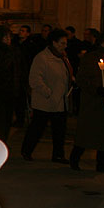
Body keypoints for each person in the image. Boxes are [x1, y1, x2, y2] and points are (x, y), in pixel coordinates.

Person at [69, 32, 104, 174]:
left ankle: (102, 163)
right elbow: (82, 79)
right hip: (95, 103)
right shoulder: (92, 57)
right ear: (102, 43)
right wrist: (96, 89)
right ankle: (75, 157)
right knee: (88, 133)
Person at [21, 29, 73, 163]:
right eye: (62, 43)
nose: (64, 46)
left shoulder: (63, 58)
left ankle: (58, 154)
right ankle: (27, 150)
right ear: (54, 43)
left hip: (60, 101)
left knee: (59, 130)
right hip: (45, 101)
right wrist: (47, 92)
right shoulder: (42, 58)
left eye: (65, 43)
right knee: (37, 128)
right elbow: (34, 79)